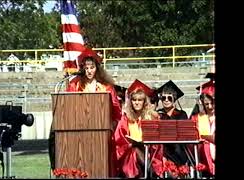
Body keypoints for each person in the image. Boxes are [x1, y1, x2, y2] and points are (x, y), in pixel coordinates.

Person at [49, 48, 122, 176]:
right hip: (78, 132)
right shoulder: (74, 86)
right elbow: (67, 107)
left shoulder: (106, 87)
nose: (89, 71)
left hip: (101, 133)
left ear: (97, 68)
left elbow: (116, 109)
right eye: (86, 68)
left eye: (92, 67)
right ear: (82, 68)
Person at [114, 79, 163, 178]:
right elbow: (119, 139)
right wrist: (130, 144)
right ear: (131, 101)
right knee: (134, 151)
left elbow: (158, 142)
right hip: (129, 153)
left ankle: (150, 169)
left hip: (149, 152)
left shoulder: (152, 118)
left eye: (140, 100)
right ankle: (150, 172)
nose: (136, 103)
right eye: (134, 100)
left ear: (144, 102)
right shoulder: (126, 119)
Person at [156, 80, 190, 169]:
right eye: (164, 98)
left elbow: (183, 134)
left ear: (174, 99)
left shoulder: (182, 114)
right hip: (162, 149)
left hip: (178, 150)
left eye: (169, 98)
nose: (166, 100)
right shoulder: (157, 114)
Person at [191, 80, 215, 177]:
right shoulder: (197, 118)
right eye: (206, 104)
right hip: (203, 161)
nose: (210, 107)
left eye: (212, 103)